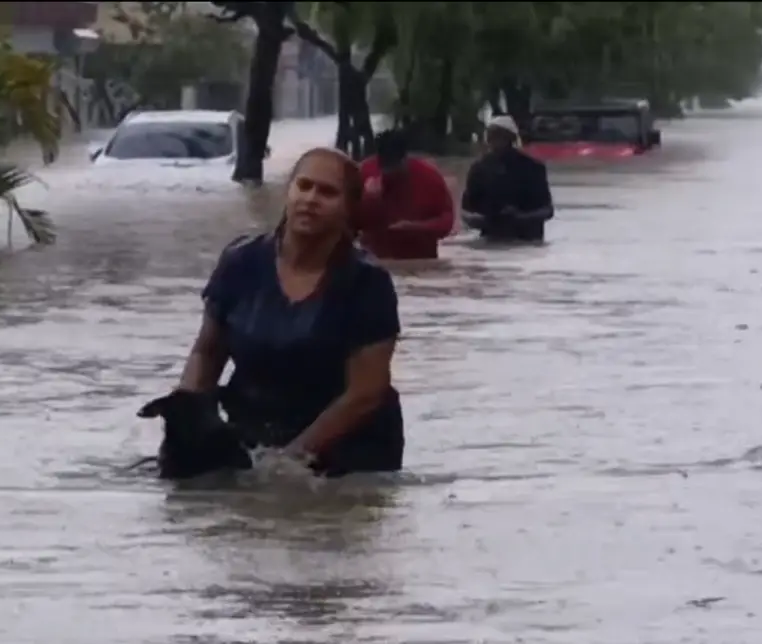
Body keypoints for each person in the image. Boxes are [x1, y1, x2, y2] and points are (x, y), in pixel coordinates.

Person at [176, 146, 405, 476]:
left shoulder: (368, 283)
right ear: (288, 191)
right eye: (304, 186)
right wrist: (187, 413)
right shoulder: (240, 262)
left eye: (327, 192)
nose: (311, 199)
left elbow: (365, 393)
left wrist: (288, 460)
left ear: (348, 209)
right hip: (255, 429)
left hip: (349, 448)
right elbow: (208, 352)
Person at [358, 129, 456, 260]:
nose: (390, 174)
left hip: (421, 261)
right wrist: (368, 200)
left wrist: (416, 228)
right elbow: (349, 223)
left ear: (405, 159)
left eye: (395, 168)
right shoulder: (364, 173)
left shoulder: (430, 177)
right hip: (376, 261)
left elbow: (447, 222)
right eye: (386, 169)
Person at [461, 115, 555, 243]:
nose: (494, 141)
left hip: (528, 239)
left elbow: (547, 210)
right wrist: (487, 220)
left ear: (511, 138)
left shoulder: (533, 168)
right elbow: (466, 212)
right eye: (492, 136)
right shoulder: (479, 169)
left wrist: (521, 218)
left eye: (500, 136)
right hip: (491, 237)